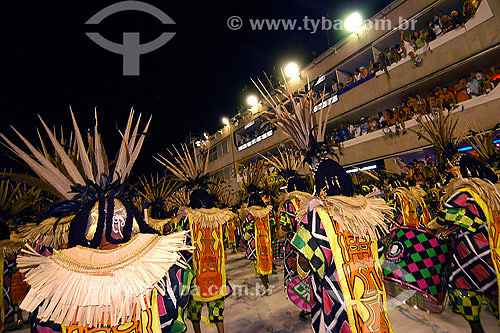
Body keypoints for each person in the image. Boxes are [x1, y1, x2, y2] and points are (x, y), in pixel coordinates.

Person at [7, 111, 194, 333]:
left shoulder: (49, 295)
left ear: (78, 228)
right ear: (131, 223)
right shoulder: (169, 276)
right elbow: (175, 320)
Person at [437, 155, 500, 333]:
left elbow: (444, 216)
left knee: (460, 284)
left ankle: (477, 330)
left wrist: (468, 222)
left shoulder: (466, 192)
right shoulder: (493, 191)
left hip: (473, 251)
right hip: (494, 248)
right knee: (494, 289)